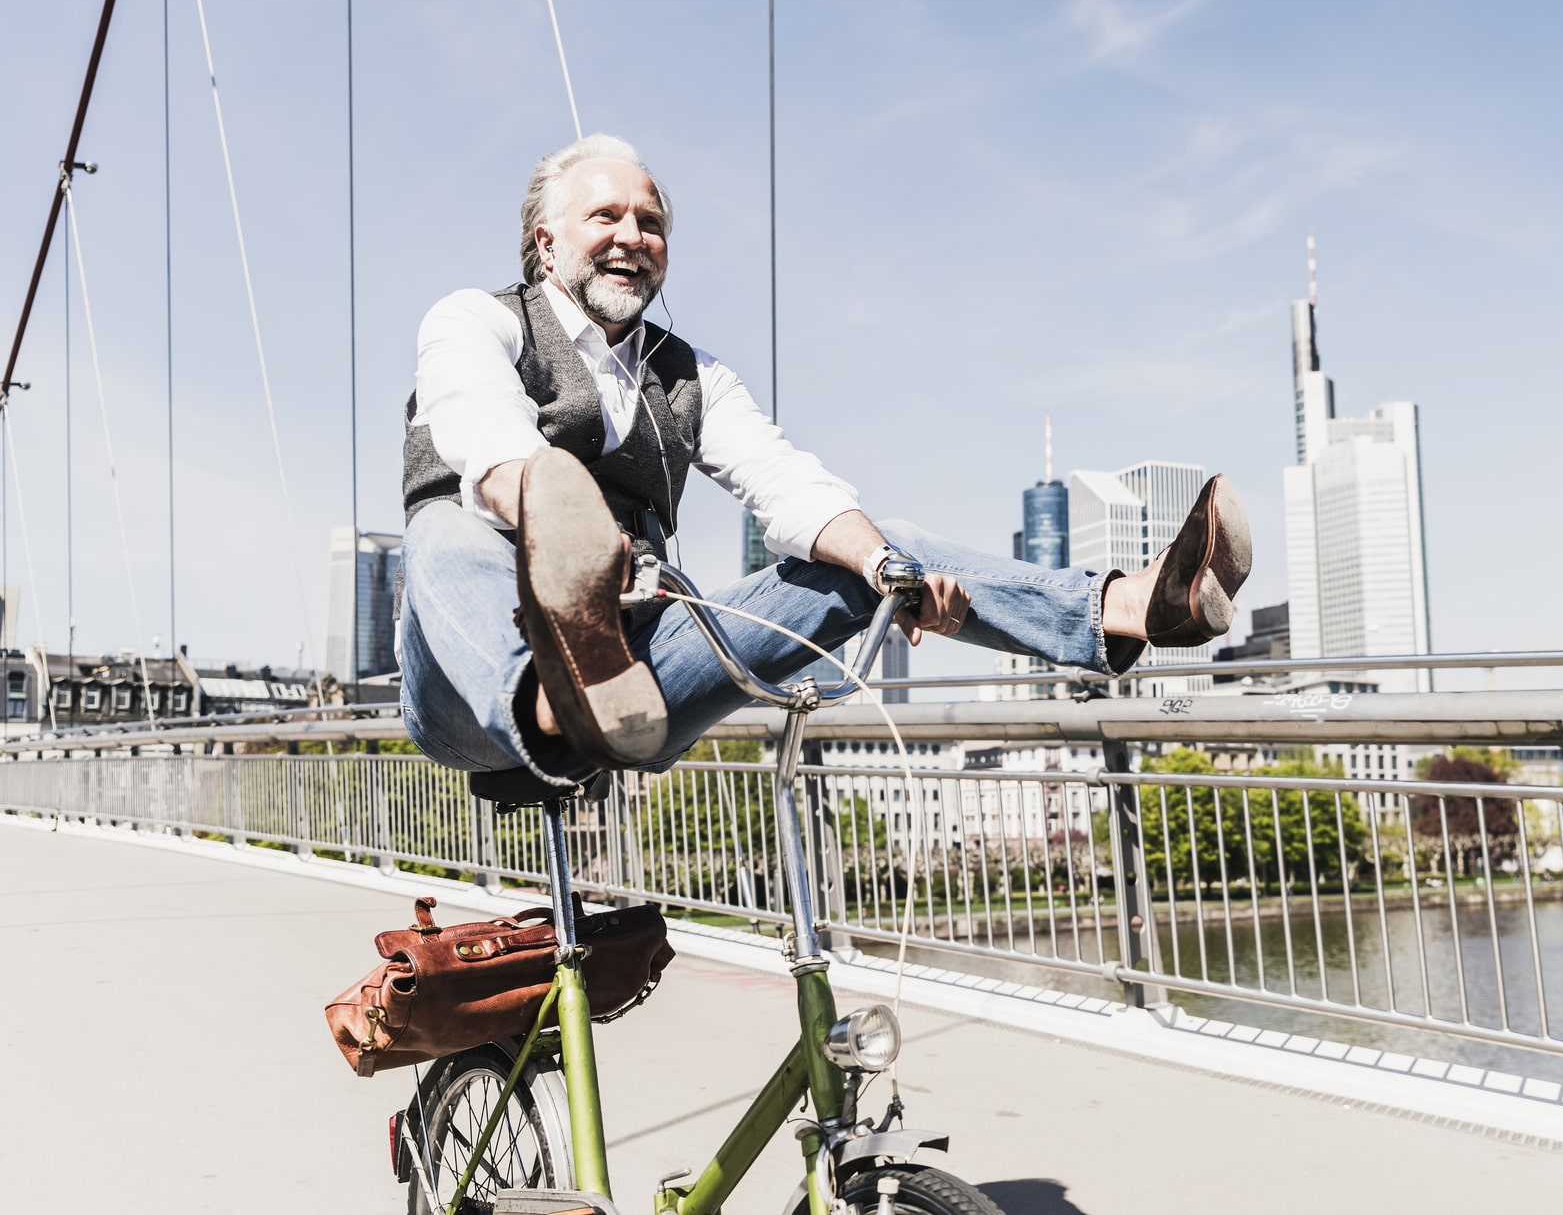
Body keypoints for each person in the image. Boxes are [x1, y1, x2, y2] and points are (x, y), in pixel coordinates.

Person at [398, 133, 1250, 785]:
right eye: (606, 217)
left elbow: (784, 484)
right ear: (547, 244)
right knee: (442, 531)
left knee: (886, 545)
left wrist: (889, 572)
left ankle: (1138, 609)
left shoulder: (693, 377)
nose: (634, 235)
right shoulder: (479, 320)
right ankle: (553, 691)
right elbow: (478, 424)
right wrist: (546, 506)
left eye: (651, 223)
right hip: (472, 686)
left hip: (640, 671)